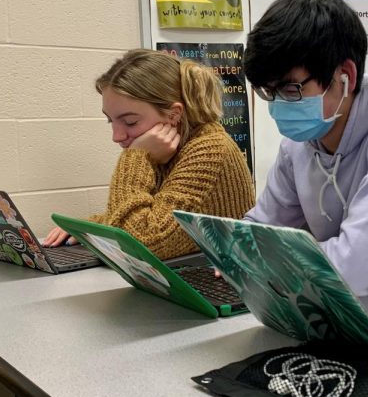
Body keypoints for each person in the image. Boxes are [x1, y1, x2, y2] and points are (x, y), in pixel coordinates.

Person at [242, 0, 368, 295]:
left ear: (344, 75)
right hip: (337, 305)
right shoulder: (300, 141)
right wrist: (238, 254)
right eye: (268, 92)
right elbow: (258, 231)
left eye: (289, 88)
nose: (278, 106)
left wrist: (263, 262)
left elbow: (353, 270)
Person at [44, 48, 255, 260]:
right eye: (111, 120)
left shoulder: (210, 150)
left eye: (130, 122)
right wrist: (91, 228)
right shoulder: (168, 149)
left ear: (174, 114)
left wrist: (135, 158)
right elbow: (150, 214)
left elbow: (139, 243)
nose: (117, 136)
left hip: (217, 289)